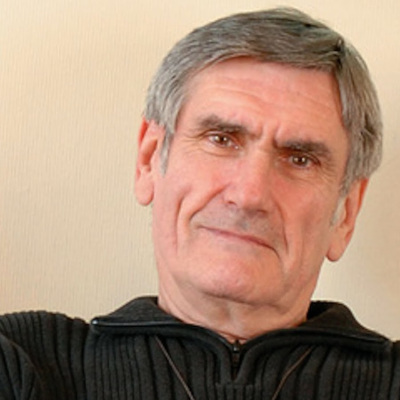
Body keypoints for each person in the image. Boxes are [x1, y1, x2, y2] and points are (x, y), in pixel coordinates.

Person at [0, 7, 398, 400]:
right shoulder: (22, 364)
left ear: (346, 213)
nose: (249, 195)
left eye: (299, 159)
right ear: (149, 160)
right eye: (221, 140)